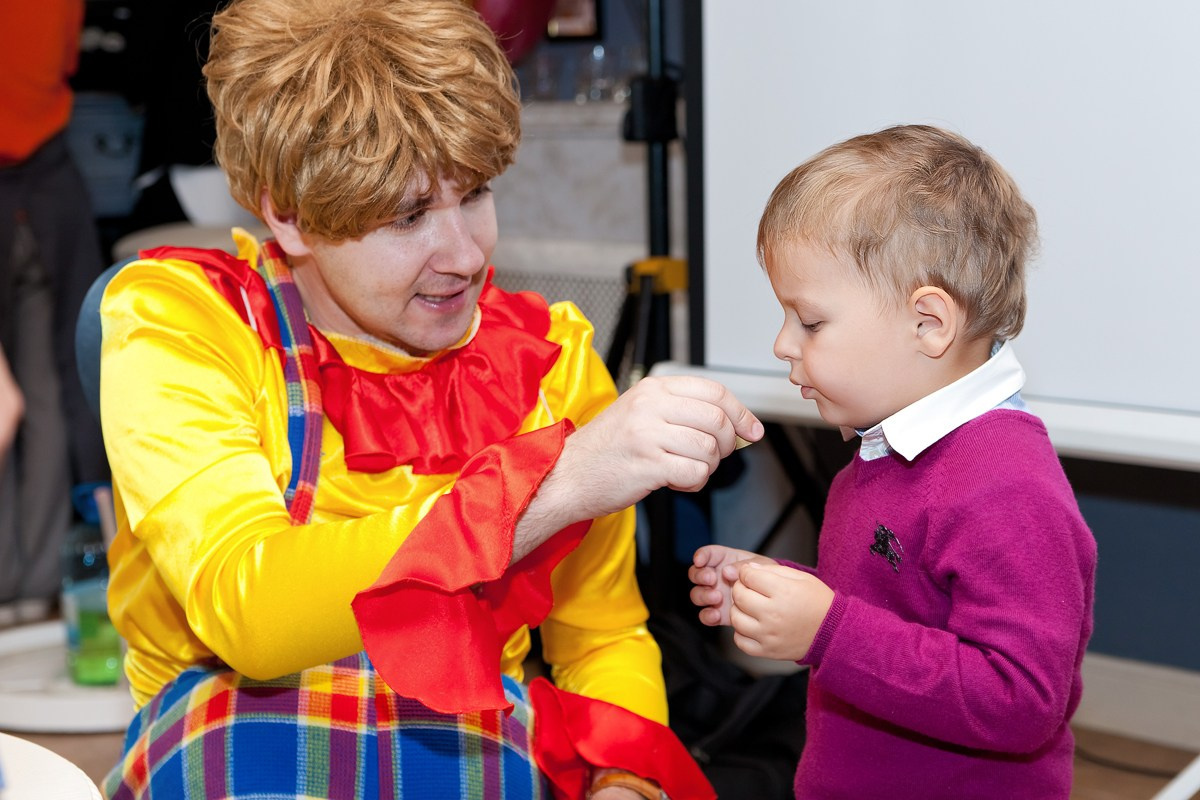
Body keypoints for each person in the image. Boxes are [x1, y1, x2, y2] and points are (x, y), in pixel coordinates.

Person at [98, 0, 762, 797]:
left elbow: (602, 636)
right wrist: (551, 489)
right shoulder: (186, 320)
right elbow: (252, 611)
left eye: (475, 194)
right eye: (409, 215)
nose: (465, 253)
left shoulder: (545, 361)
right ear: (290, 213)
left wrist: (624, 782)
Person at [688, 124, 1097, 799]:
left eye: (810, 322)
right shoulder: (881, 454)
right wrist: (784, 595)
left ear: (929, 323)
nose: (782, 344)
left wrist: (827, 630)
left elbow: (1021, 699)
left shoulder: (1005, 489)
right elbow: (897, 614)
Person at [0, 0, 111, 628]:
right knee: (49, 385)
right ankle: (35, 584)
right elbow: (64, 60)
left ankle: (9, 582)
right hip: (50, 179)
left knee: (24, 393)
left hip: (23, 181)